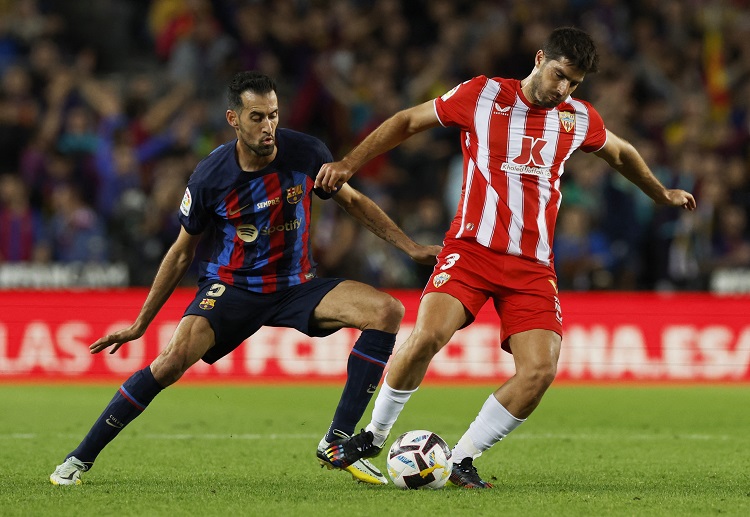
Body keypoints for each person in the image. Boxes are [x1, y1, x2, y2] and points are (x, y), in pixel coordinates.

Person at [316, 27, 697, 488]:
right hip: (470, 251)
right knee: (426, 336)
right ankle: (373, 437)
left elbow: (622, 153)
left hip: (532, 267)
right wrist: (347, 165)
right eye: (559, 76)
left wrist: (659, 193)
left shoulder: (576, 119)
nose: (563, 90)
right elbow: (406, 121)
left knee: (539, 370)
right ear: (539, 58)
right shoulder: (483, 95)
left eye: (574, 84)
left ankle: (462, 458)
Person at [49, 71, 441, 486]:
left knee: (387, 310)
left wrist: (411, 247)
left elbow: (354, 202)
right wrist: (141, 323)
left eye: (273, 115)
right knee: (168, 364)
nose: (268, 126)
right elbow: (182, 252)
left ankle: (336, 440)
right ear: (233, 119)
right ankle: (79, 459)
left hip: (296, 285)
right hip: (233, 287)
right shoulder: (210, 177)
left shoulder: (307, 152)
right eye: (257, 117)